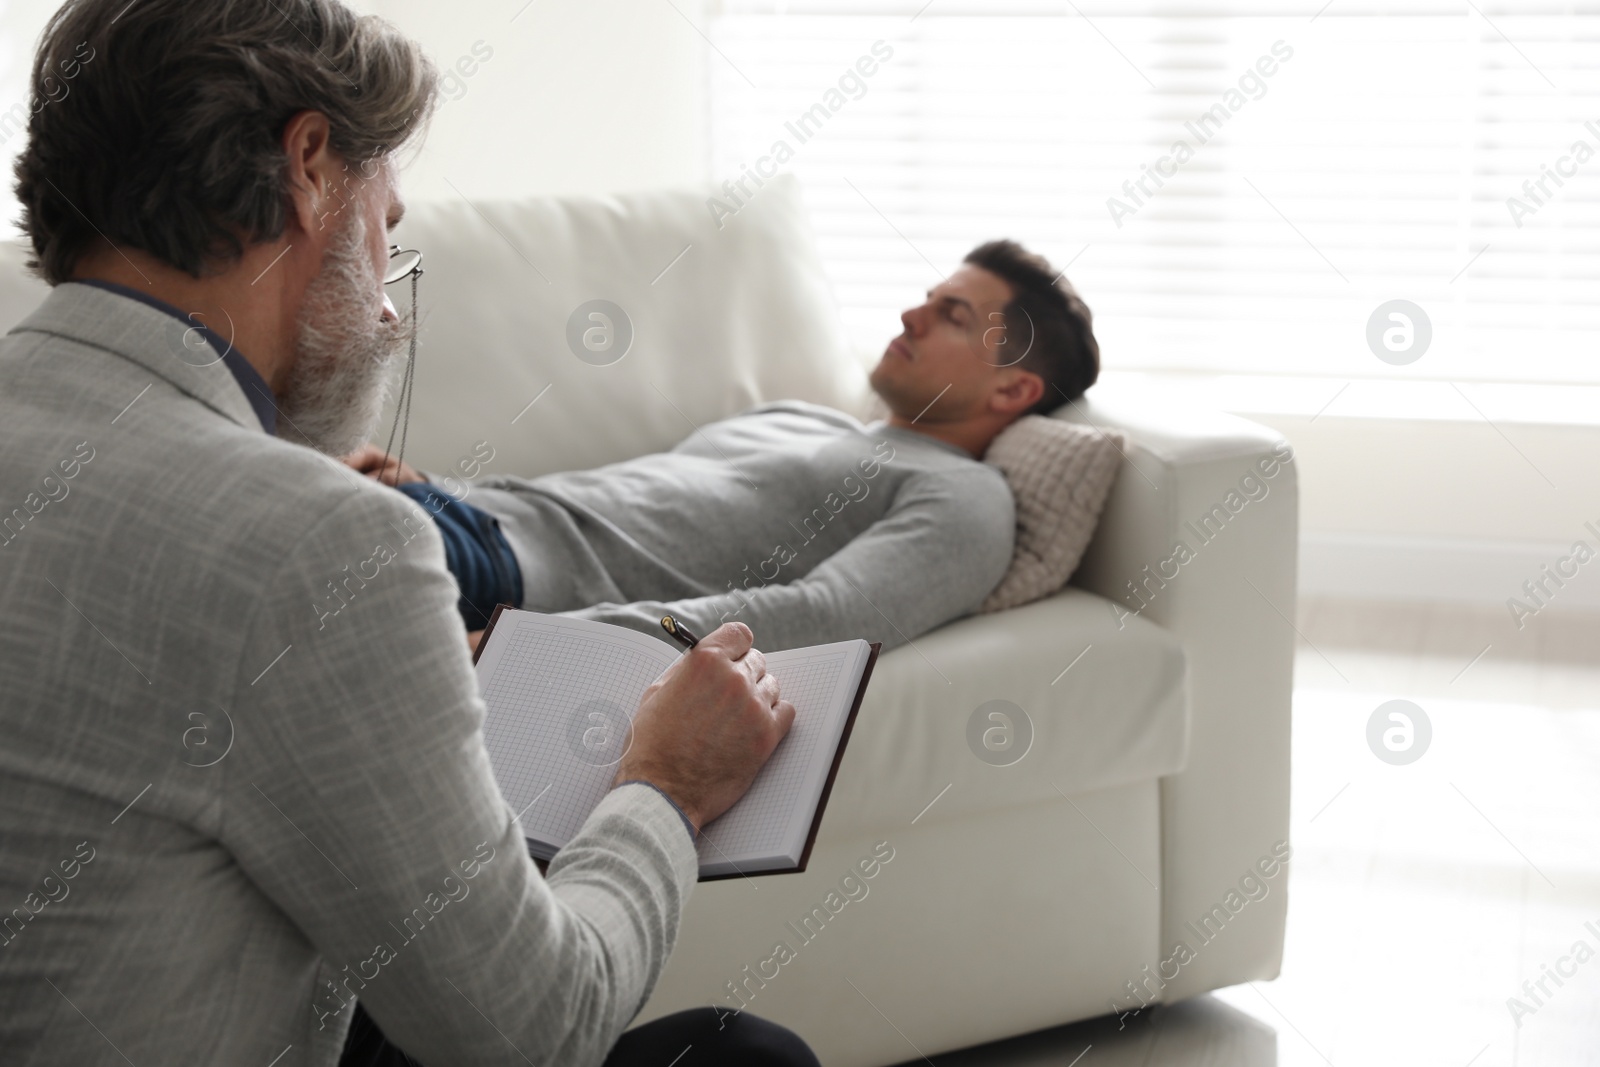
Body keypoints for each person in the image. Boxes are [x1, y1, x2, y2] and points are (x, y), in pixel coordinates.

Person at [0, 2, 813, 1064]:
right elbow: (533, 1029)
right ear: (307, 167)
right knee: (743, 1054)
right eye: (386, 231)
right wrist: (666, 781)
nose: (389, 310)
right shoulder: (323, 540)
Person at [346, 240, 1102, 652]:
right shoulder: (800, 420)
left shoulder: (968, 498)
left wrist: (527, 650)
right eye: (926, 298)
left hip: (498, 580)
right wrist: (439, 486)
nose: (909, 315)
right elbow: (625, 503)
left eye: (953, 316)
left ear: (1012, 392)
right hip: (458, 516)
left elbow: (821, 617)